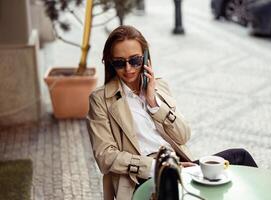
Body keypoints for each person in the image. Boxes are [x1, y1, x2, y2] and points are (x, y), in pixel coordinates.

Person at [86, 25, 257, 200]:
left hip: (180, 166)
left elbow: (183, 136)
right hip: (141, 177)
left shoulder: (160, 87)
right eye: (120, 62)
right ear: (110, 62)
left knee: (240, 156)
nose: (129, 69)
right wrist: (158, 167)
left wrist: (153, 102)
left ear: (145, 58)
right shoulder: (101, 99)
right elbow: (106, 156)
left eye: (135, 60)